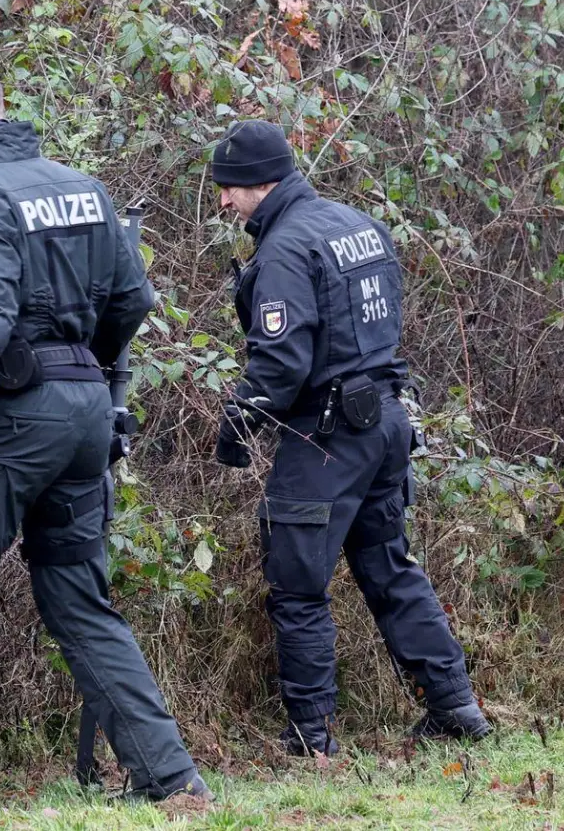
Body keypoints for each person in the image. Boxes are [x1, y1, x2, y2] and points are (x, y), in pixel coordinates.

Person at [0, 58, 207, 802]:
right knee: (76, 599)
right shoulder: (85, 189)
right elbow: (133, 300)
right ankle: (170, 778)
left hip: (9, 423)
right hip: (86, 412)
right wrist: (79, 371)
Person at [209, 120, 491, 754]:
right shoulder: (359, 225)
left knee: (297, 582)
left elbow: (280, 362)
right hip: (386, 420)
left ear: (260, 182)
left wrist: (239, 421)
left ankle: (310, 736)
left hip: (325, 436)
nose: (223, 202)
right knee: (389, 565)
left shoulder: (284, 248)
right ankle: (455, 706)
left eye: (228, 188)